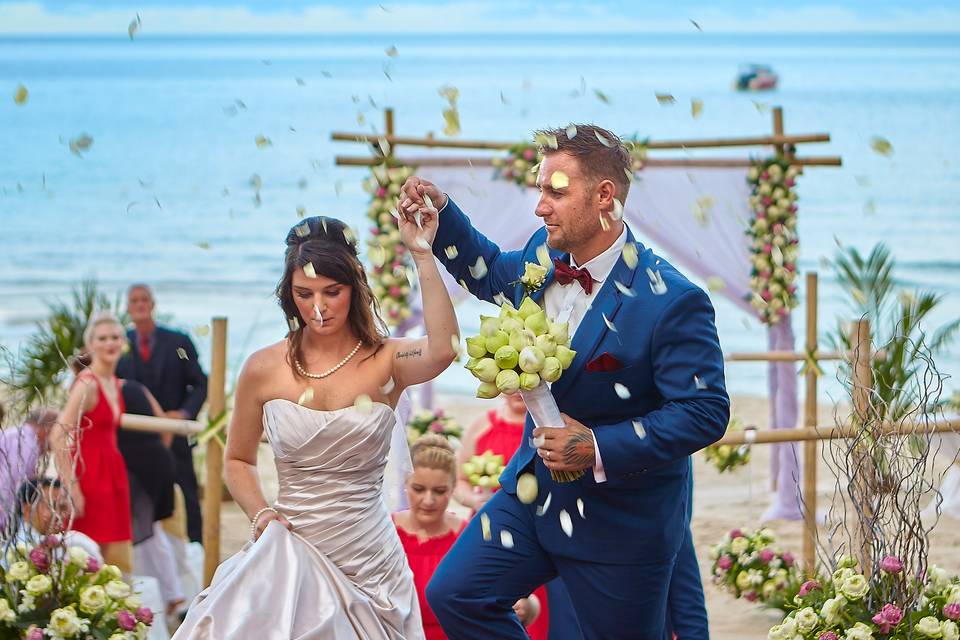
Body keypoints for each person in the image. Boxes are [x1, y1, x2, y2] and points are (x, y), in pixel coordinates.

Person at [400, 124, 730, 640]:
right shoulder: (543, 251)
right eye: (540, 191)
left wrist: (596, 446)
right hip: (532, 496)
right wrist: (442, 223)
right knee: (457, 594)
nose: (539, 207)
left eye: (556, 192)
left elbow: (704, 411)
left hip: (624, 523)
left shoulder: (672, 299)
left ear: (604, 197)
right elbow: (492, 276)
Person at [174, 212, 458, 639]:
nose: (319, 308)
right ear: (288, 294)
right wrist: (261, 515)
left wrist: (422, 254)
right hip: (289, 553)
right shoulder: (263, 368)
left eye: (332, 292)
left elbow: (443, 348)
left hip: (368, 563)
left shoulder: (387, 360)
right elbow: (237, 459)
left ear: (355, 286)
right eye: (304, 294)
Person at [394, 434, 540, 640]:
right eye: (419, 489)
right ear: (405, 483)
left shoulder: (470, 537)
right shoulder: (386, 533)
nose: (428, 500)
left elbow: (526, 598)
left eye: (439, 491)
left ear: (453, 489)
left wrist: (527, 607)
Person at [454, 394, 575, 640]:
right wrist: (474, 500)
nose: (517, 394)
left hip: (537, 531)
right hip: (490, 530)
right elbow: (459, 480)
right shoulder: (482, 425)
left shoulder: (549, 427)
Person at [117, 284, 208, 544]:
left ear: (153, 304)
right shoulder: (119, 343)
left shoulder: (178, 342)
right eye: (134, 300)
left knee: (187, 494)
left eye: (144, 299)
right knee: (141, 496)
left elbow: (200, 383)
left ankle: (196, 548)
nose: (140, 304)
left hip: (177, 436)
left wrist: (183, 413)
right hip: (136, 440)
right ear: (128, 308)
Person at [51, 312, 134, 573]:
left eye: (115, 337)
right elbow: (57, 434)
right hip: (89, 475)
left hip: (110, 472)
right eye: (102, 338)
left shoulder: (113, 382)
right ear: (91, 345)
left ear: (123, 342)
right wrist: (71, 485)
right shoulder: (87, 383)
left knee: (102, 556)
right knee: (83, 557)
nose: (110, 343)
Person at [120, 379, 185, 614]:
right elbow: (164, 423)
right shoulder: (138, 387)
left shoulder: (108, 390)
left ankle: (171, 594)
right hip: (159, 460)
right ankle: (171, 593)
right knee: (154, 531)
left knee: (150, 531)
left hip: (140, 468)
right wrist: (162, 450)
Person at [0, 407, 57, 532]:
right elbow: (11, 484)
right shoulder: (26, 443)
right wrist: (7, 526)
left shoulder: (19, 436)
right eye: (60, 432)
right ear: (48, 428)